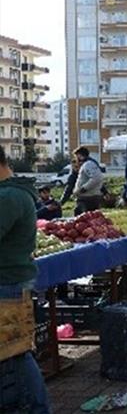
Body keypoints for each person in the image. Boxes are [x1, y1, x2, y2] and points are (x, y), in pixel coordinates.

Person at [0, 145, 52, 413]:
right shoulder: (12, 193)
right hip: (12, 281)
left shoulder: (9, 197)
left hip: (7, 284)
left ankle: (37, 407)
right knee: (13, 352)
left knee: (15, 353)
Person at [72, 146, 105, 214]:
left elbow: (97, 178)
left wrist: (83, 189)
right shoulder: (88, 164)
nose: (76, 159)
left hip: (87, 198)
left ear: (81, 156)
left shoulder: (88, 164)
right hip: (88, 197)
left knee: (84, 218)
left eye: (77, 156)